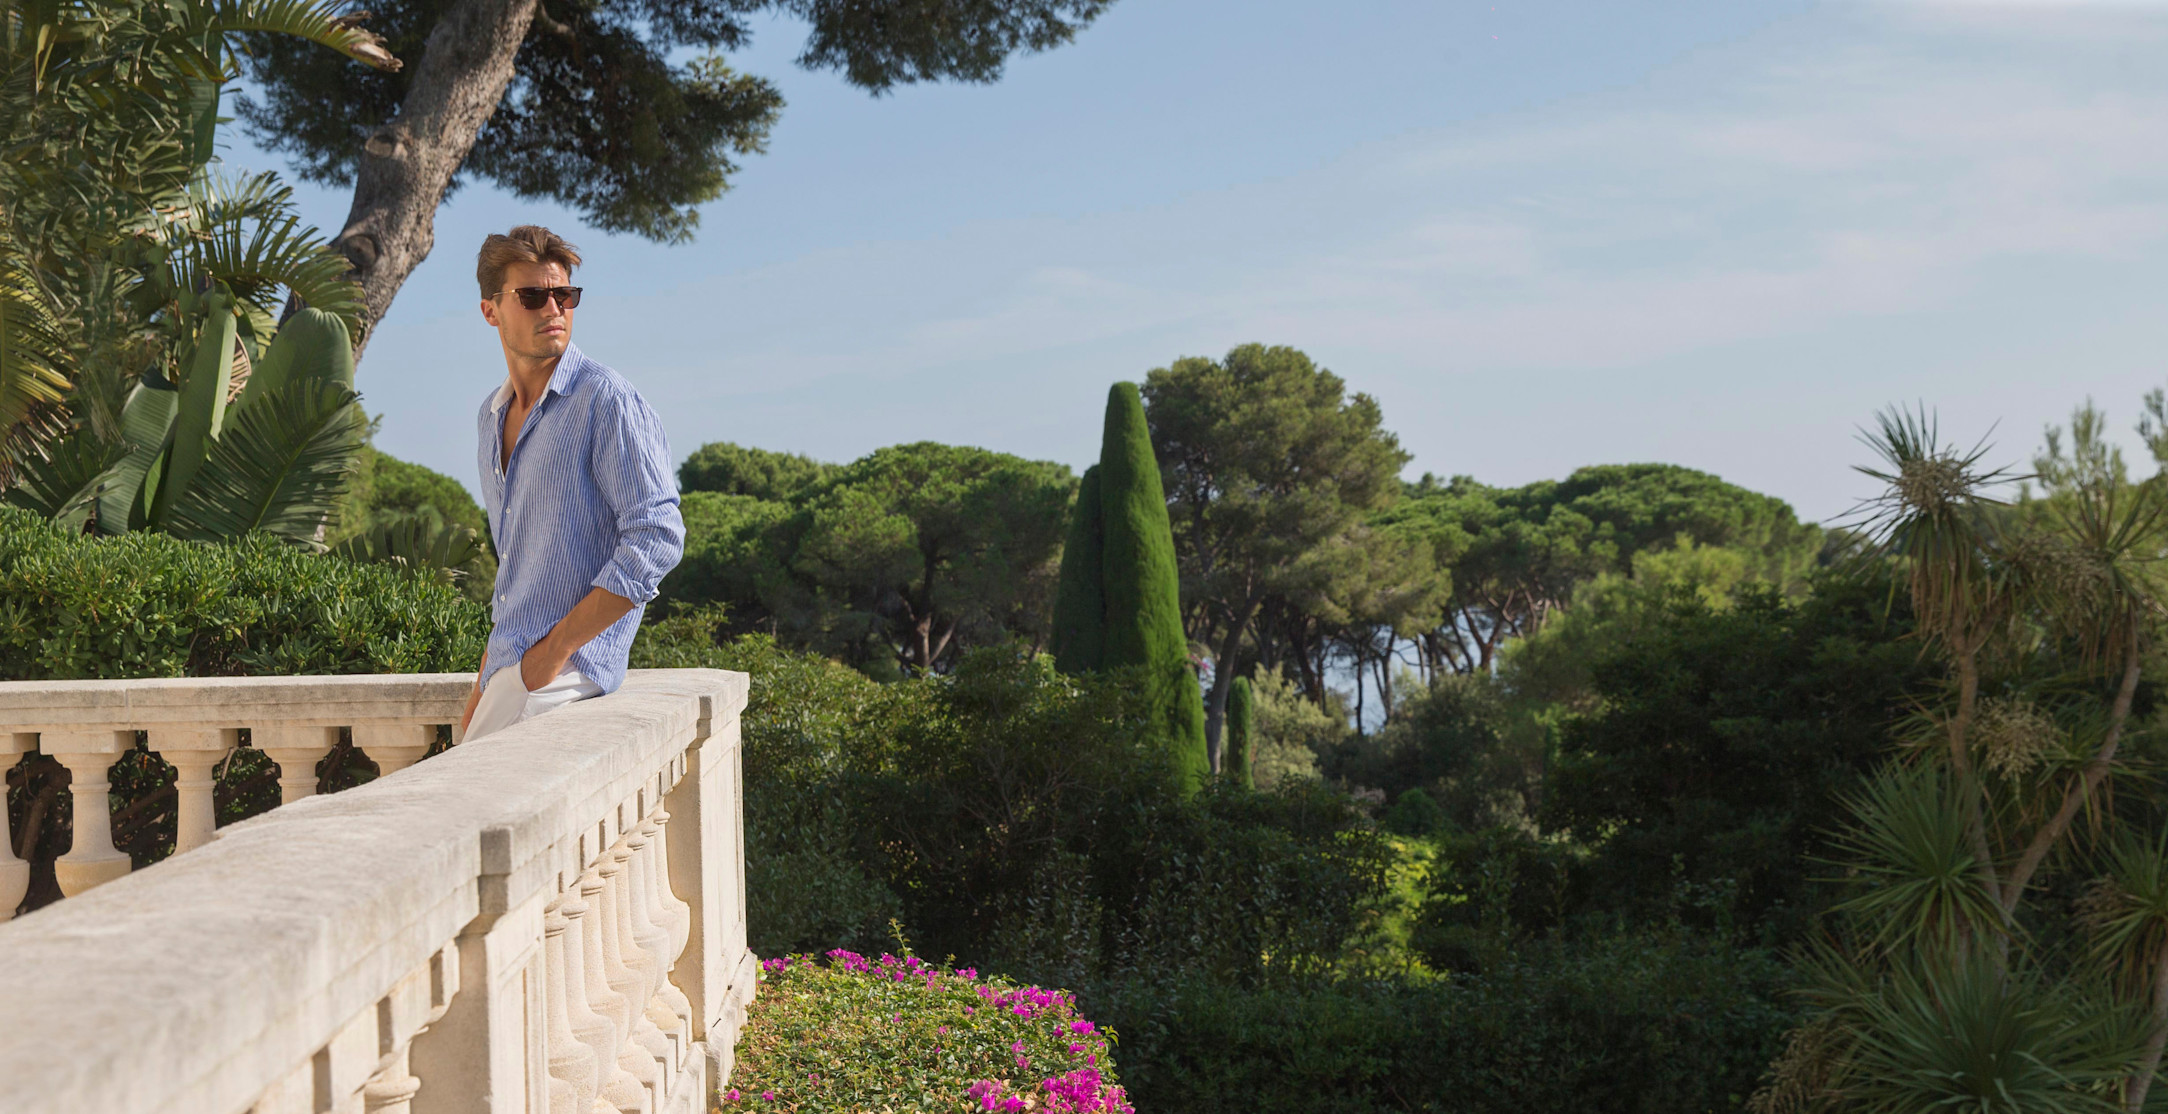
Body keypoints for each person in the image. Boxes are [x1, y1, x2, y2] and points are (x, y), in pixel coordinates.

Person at [458, 225, 684, 740]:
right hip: (512, 674)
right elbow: (520, 569)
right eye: (533, 296)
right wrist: (488, 678)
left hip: (562, 680)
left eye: (564, 295)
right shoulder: (490, 417)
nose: (553, 310)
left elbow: (658, 536)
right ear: (490, 311)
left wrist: (554, 652)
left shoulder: (606, 401)